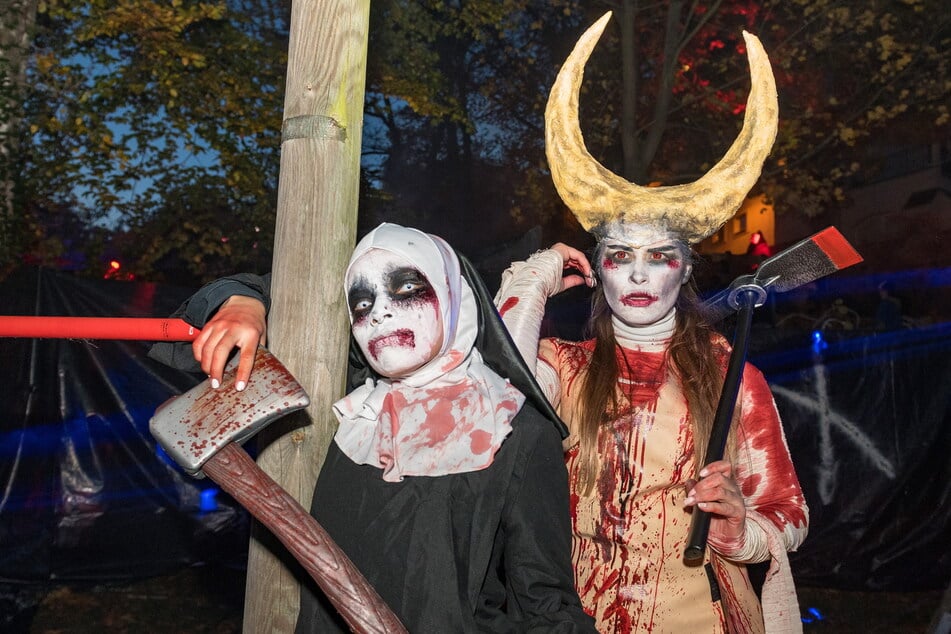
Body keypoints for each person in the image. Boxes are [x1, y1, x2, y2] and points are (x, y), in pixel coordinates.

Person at [491, 12, 808, 633]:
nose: (638, 276)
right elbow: (492, 390)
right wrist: (533, 278)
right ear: (600, 273)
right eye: (619, 257)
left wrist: (743, 528)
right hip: (571, 616)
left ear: (684, 272)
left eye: (660, 257)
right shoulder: (561, 366)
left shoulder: (731, 374)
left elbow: (789, 512)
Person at [149, 223, 596, 633]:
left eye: (406, 289)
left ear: (452, 294)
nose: (379, 314)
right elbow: (291, 300)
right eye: (361, 304)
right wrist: (243, 302)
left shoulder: (516, 430)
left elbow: (544, 603)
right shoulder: (352, 406)